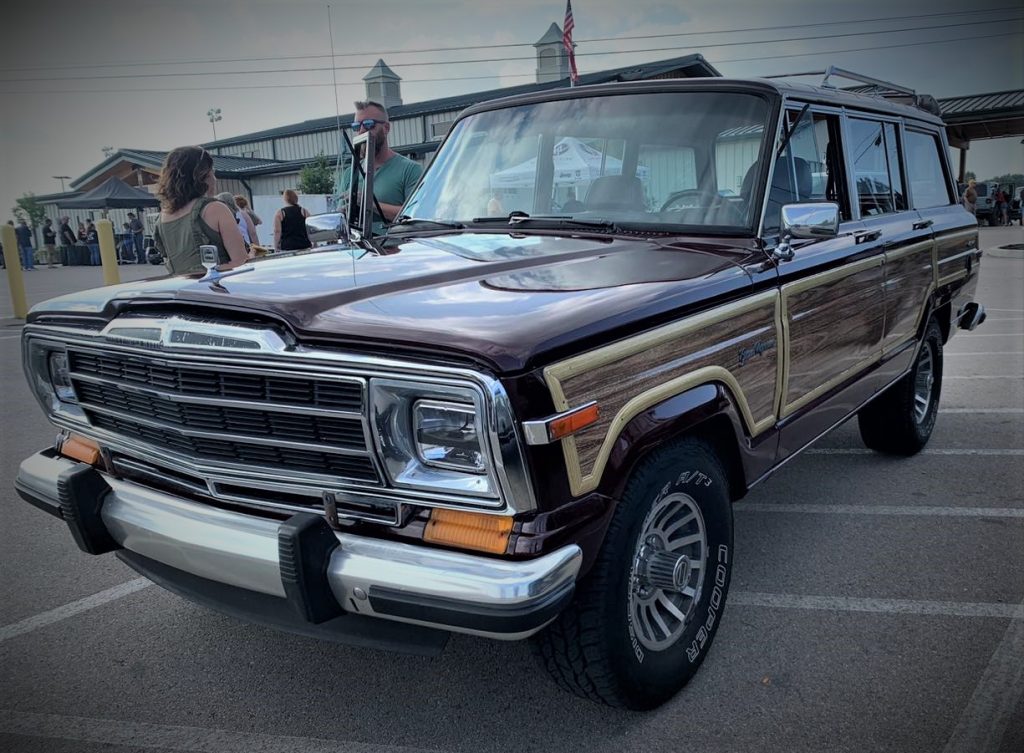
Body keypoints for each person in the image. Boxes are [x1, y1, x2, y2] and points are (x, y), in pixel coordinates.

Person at [152, 145, 248, 275]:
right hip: (218, 290)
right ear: (202, 176)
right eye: (212, 172)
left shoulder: (162, 218)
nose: (215, 178)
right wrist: (252, 255)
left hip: (183, 291)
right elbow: (240, 263)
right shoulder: (215, 209)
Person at [339, 100, 423, 235]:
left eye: (368, 125)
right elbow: (339, 220)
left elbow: (417, 215)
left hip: (395, 250)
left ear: (386, 128)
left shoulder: (410, 170)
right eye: (356, 126)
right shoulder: (350, 173)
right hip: (357, 251)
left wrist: (369, 204)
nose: (361, 131)